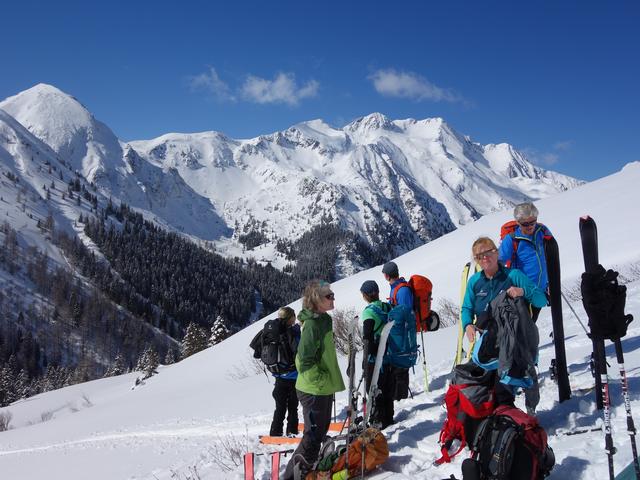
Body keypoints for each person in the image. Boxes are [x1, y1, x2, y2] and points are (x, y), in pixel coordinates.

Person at [462, 237, 547, 410]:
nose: (484, 258)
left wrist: (522, 291)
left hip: (514, 344)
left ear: (497, 252)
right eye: (479, 256)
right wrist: (468, 325)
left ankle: (510, 424)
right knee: (483, 391)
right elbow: (466, 308)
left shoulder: (513, 276)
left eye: (488, 252)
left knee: (503, 393)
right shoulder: (474, 282)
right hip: (488, 344)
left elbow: (541, 300)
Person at [283, 280, 345, 480]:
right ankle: (291, 476)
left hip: (322, 387)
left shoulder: (323, 319)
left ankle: (306, 471)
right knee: (312, 438)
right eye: (328, 296)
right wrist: (321, 379)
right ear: (316, 300)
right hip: (313, 389)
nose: (333, 298)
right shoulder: (311, 325)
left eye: (332, 294)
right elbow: (304, 361)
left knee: (319, 433)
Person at [498, 202, 552, 322]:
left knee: (531, 324)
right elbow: (499, 262)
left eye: (533, 222)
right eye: (525, 224)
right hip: (522, 291)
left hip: (541, 288)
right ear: (518, 222)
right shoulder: (512, 239)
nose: (530, 226)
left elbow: (552, 252)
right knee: (524, 328)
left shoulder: (542, 231)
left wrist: (550, 282)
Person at [359, 280, 395, 429]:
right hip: (390, 355)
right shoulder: (388, 307)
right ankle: (388, 418)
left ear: (366, 295)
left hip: (375, 357)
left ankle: (377, 419)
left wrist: (365, 359)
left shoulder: (368, 312)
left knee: (373, 388)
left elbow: (367, 337)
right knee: (387, 387)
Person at [269, 307, 301, 437]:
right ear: (291, 317)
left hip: (278, 375)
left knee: (280, 407)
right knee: (293, 406)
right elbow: (298, 351)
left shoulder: (272, 331)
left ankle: (275, 432)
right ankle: (292, 431)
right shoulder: (292, 333)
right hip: (293, 376)